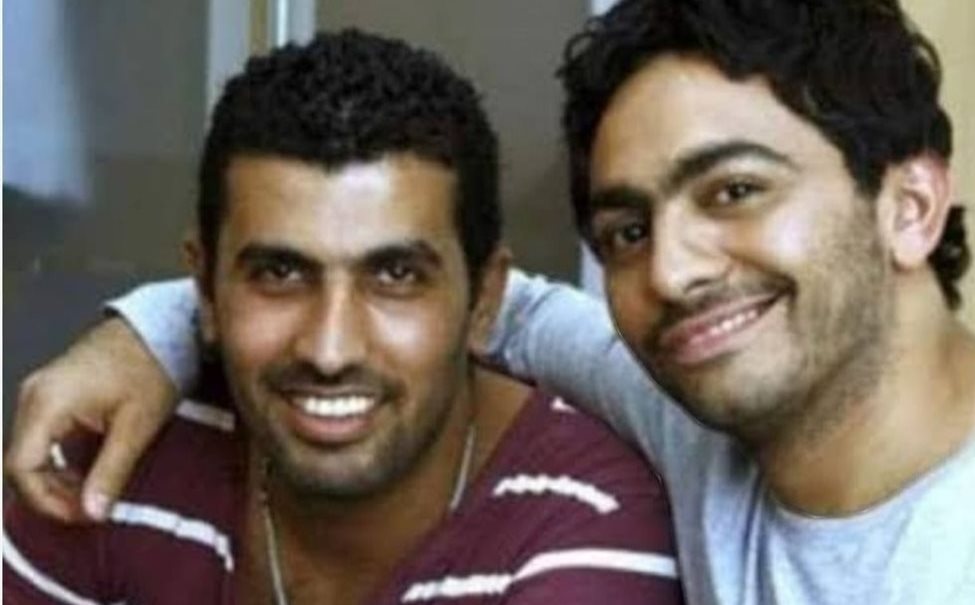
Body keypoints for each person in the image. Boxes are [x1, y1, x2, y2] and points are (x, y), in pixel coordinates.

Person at [7, 0, 975, 603]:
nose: (673, 271)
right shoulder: (685, 404)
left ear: (909, 203)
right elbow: (462, 299)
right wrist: (152, 331)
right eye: (626, 229)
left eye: (734, 191)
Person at [1, 29, 683, 605]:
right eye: (280, 272)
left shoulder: (581, 524)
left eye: (395, 276)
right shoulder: (119, 459)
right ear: (204, 287)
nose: (330, 349)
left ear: (484, 299)